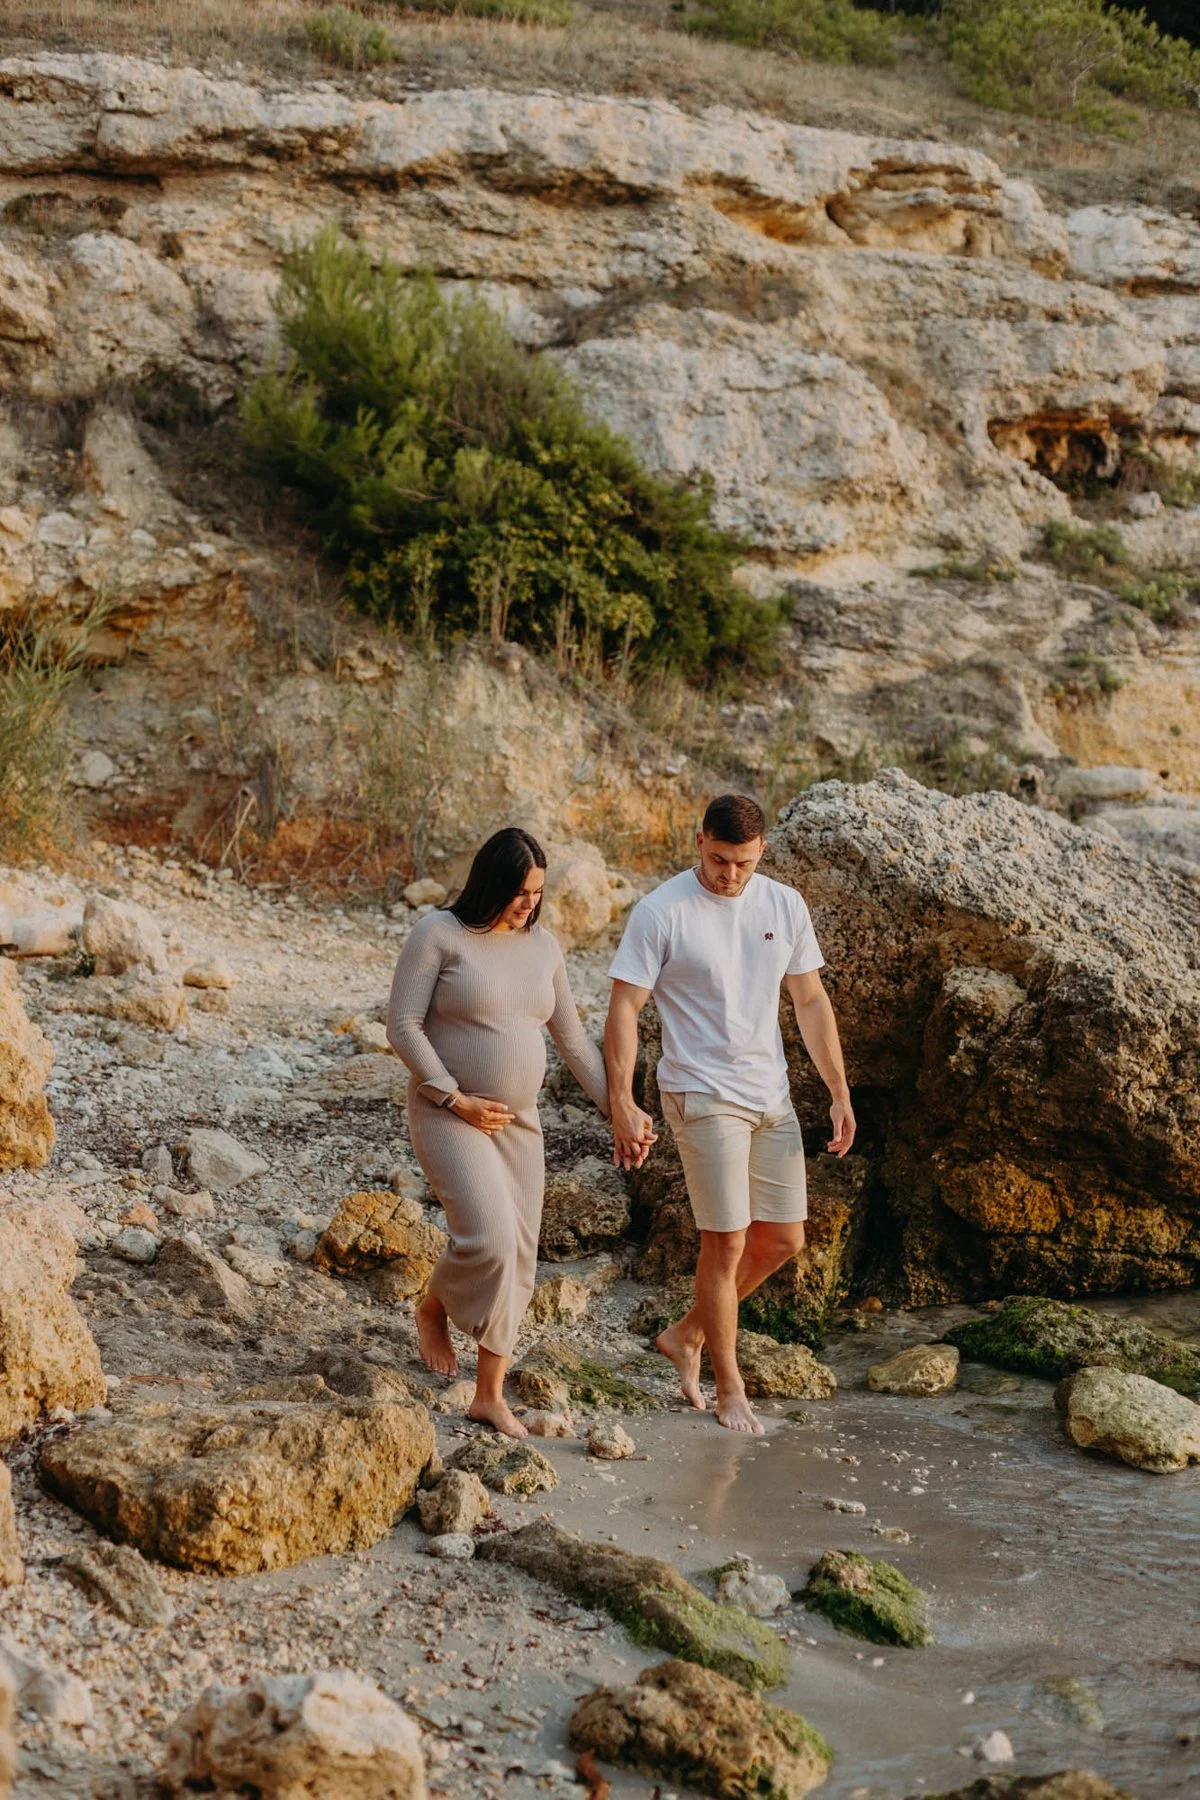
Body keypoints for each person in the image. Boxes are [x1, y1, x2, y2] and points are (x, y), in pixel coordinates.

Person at [604, 793, 855, 1436]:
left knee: (784, 1239)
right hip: (700, 1092)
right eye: (718, 860)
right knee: (727, 1241)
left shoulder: (784, 904)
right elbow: (625, 1009)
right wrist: (624, 1100)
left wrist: (838, 1090)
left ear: (761, 852)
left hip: (769, 1094)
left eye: (742, 863)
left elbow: (811, 1000)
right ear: (698, 843)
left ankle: (687, 1335)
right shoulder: (663, 911)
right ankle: (729, 1387)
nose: (729, 875)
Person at [387, 828, 609, 1438]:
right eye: (517, 892)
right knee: (488, 1239)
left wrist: (622, 1110)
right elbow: (403, 1026)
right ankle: (435, 1305)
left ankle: (489, 1394)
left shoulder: (545, 948)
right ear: (489, 883)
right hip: (448, 1111)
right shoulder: (439, 934)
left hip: (519, 1122)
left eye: (537, 893)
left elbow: (574, 1044)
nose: (527, 904)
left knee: (520, 1256)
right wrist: (453, 1097)